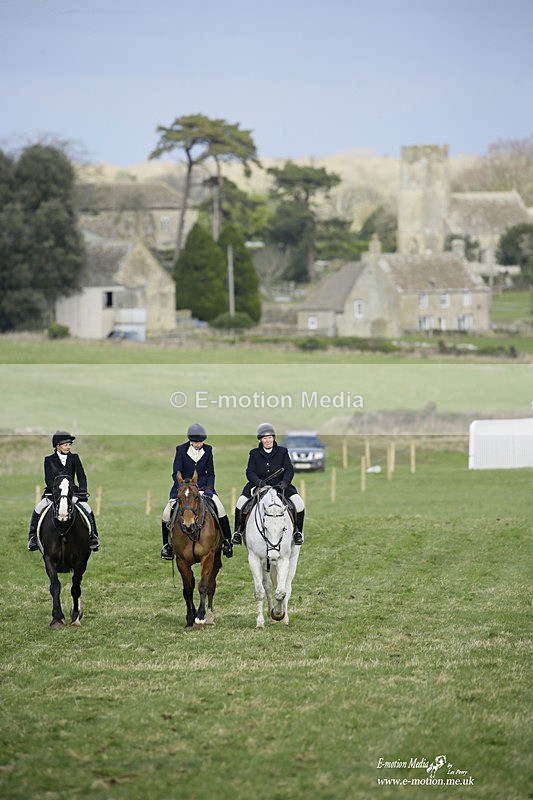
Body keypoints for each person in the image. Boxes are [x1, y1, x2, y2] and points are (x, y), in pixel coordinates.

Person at [160, 423, 233, 560]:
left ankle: (227, 542)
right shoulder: (181, 450)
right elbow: (176, 472)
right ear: (190, 440)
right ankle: (167, 546)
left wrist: (210, 489)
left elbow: (211, 473)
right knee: (166, 513)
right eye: (196, 442)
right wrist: (181, 488)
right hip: (183, 489)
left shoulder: (208, 450)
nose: (199, 444)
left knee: (220, 508)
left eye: (201, 442)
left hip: (204, 488)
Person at [232, 422, 304, 546]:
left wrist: (285, 482)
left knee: (299, 503)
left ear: (274, 438)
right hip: (259, 486)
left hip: (280, 487)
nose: (268, 440)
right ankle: (238, 532)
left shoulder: (282, 451)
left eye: (270, 437)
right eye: (265, 438)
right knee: (240, 503)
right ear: (260, 440)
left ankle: (297, 532)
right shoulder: (254, 453)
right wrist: (257, 481)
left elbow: (289, 470)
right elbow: (250, 472)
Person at [27, 431, 100, 552]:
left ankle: (93, 537)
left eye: (69, 444)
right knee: (38, 509)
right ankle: (33, 538)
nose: (68, 447)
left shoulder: (74, 458)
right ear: (58, 445)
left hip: (72, 493)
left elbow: (81, 476)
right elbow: (48, 479)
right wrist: (57, 492)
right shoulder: (49, 460)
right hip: (53, 493)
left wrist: (82, 490)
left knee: (87, 508)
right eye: (65, 444)